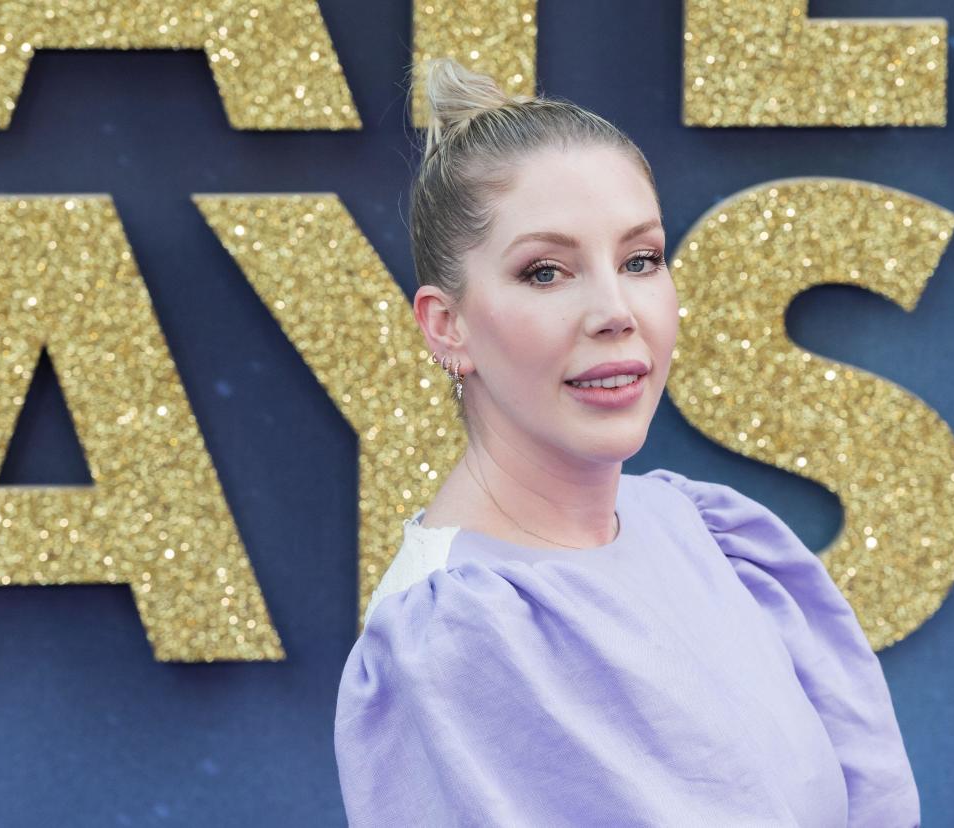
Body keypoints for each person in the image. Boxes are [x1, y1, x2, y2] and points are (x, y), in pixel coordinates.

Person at [334, 56, 921, 827]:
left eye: (640, 259)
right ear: (449, 326)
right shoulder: (459, 638)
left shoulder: (709, 532)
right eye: (545, 272)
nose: (615, 310)